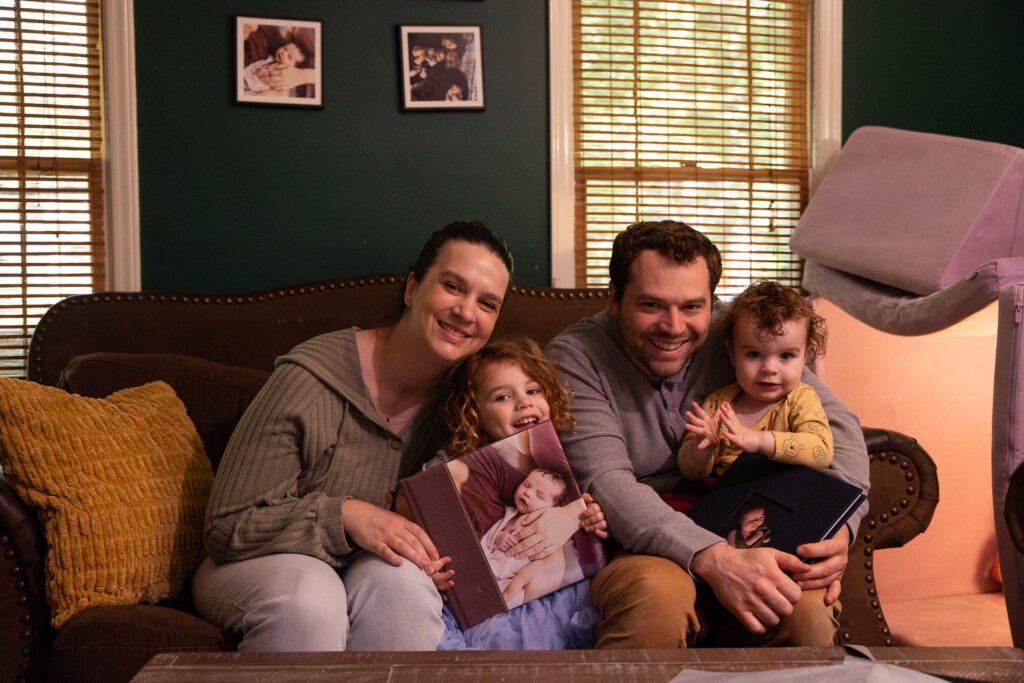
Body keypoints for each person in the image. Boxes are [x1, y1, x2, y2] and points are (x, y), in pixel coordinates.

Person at [192, 221, 575, 652]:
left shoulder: (470, 401)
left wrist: (567, 516)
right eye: (452, 286)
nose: (467, 312)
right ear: (412, 288)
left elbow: (514, 478)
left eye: (487, 303)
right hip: (259, 561)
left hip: (374, 566)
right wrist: (347, 515)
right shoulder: (308, 379)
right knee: (311, 602)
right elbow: (226, 527)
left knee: (406, 594)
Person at [544, 220, 870, 648]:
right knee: (657, 597)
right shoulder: (575, 358)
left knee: (805, 610)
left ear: (712, 303)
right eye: (652, 305)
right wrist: (716, 559)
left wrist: (840, 529)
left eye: (693, 307)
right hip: (646, 542)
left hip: (754, 520)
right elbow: (606, 482)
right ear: (615, 299)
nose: (674, 326)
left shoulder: (739, 333)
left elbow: (841, 429)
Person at [677, 280, 833, 482]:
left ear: (804, 358)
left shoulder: (801, 399)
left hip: (783, 495)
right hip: (728, 498)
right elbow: (691, 473)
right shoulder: (718, 404)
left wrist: (760, 441)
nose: (769, 369)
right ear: (732, 354)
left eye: (785, 356)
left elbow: (821, 450)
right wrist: (702, 449)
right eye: (753, 354)